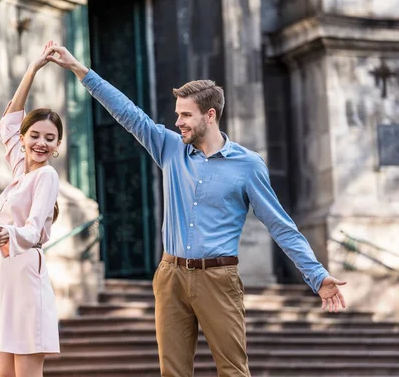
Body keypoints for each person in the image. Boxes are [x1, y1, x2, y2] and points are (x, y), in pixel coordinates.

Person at [45, 45, 347, 377]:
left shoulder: (247, 166)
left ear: (210, 115)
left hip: (218, 278)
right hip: (170, 274)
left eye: (186, 115)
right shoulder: (170, 148)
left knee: (233, 371)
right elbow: (128, 112)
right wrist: (79, 69)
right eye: (177, 115)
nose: (178, 123)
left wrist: (317, 275)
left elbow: (280, 225)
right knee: (172, 372)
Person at [0, 41, 62, 377]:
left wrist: (6, 234)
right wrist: (34, 68)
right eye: (35, 135)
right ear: (23, 138)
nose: (41, 143)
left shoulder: (47, 176)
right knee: (5, 373)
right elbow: (11, 118)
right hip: (0, 271)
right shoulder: (18, 170)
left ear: (56, 146)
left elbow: (34, 228)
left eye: (50, 138)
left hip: (25, 269)